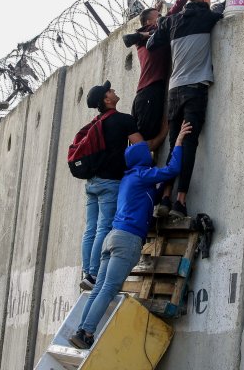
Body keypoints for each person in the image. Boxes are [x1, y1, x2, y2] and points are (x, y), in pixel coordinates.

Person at [69, 121, 192, 350]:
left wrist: (162, 189)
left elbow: (150, 200)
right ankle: (86, 332)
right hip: (127, 240)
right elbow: (173, 169)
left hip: (112, 238)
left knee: (99, 289)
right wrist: (178, 142)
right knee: (108, 289)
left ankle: (81, 330)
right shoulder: (143, 174)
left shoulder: (130, 179)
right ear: (142, 158)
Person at [146, 0, 224, 219]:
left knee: (174, 143)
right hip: (194, 90)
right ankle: (181, 201)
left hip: (174, 90)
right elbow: (228, 11)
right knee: (188, 143)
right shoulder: (207, 15)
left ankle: (166, 197)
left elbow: (150, 45)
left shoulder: (170, 22)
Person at [122, 0, 208, 152]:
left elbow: (175, 8)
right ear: (148, 22)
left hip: (149, 92)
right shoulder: (142, 36)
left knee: (143, 143)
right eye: (158, 16)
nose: (162, 18)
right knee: (146, 144)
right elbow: (176, 8)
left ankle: (146, 174)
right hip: (149, 92)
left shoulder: (150, 33)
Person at [80, 81, 143, 290]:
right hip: (110, 183)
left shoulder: (94, 124)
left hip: (92, 183)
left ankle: (87, 271)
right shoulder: (124, 120)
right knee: (104, 227)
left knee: (91, 228)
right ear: (107, 100)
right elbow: (141, 146)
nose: (114, 90)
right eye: (110, 90)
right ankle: (95, 274)